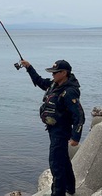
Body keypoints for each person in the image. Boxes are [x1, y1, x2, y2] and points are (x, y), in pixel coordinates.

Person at [20, 59, 85, 196]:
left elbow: (79, 116)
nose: (53, 75)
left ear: (64, 73)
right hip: (53, 129)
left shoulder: (69, 92)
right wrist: (29, 67)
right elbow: (39, 81)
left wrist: (75, 137)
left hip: (61, 131)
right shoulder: (53, 85)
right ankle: (70, 188)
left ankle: (58, 193)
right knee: (63, 160)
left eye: (55, 72)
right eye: (52, 72)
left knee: (56, 164)